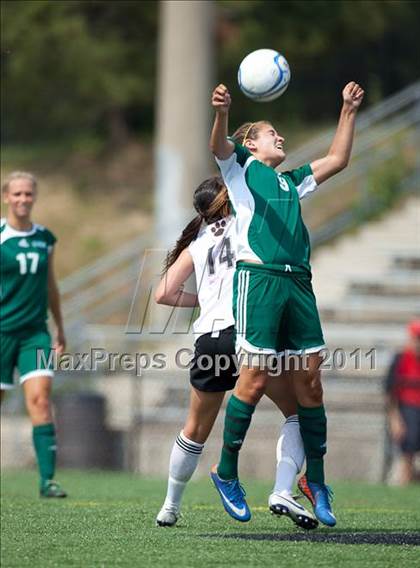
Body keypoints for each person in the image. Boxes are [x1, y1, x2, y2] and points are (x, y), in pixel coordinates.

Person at [209, 81, 364, 527]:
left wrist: (347, 110)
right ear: (250, 143)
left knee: (311, 386)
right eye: (271, 132)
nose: (280, 138)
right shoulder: (240, 167)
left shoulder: (290, 181)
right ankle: (226, 471)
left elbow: (337, 159)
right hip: (259, 281)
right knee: (254, 380)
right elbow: (218, 144)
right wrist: (221, 112)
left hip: (299, 284)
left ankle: (314, 480)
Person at [155, 176, 317, 528]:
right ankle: (282, 489)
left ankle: (169, 506)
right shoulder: (247, 223)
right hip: (246, 334)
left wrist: (203, 301)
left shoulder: (197, 244)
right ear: (228, 200)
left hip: (209, 340)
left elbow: (163, 293)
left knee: (194, 429)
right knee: (299, 413)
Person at [1, 171, 67, 498]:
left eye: (28, 194)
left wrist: (59, 330)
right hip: (1, 333)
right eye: (17, 194)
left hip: (35, 334)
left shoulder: (45, 238)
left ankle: (47, 481)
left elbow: (50, 286)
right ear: (6, 198)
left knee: (41, 401)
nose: (23, 199)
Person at [385, 319, 420, 484]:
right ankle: (405, 477)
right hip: (407, 407)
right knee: (409, 442)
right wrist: (394, 419)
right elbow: (390, 393)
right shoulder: (400, 359)